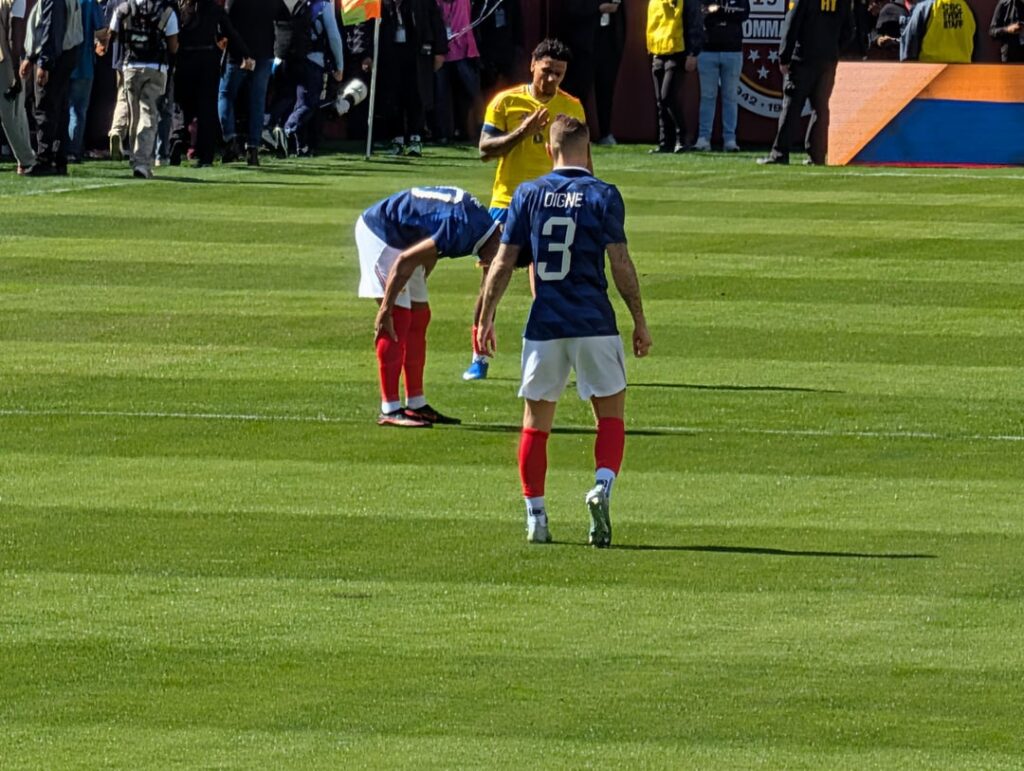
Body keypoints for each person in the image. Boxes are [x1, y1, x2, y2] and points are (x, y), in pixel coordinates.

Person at [475, 115, 652, 547]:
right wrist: (639, 320)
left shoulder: (528, 194)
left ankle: (536, 516)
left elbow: (502, 262)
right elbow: (621, 264)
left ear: (550, 149)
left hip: (545, 324)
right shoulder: (604, 194)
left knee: (535, 425)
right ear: (586, 149)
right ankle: (601, 486)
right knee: (610, 416)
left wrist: (485, 315)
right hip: (594, 321)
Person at [464, 37, 585, 381]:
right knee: (491, 279)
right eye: (547, 71)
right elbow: (485, 150)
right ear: (533, 63)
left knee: (548, 283)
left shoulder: (572, 106)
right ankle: (478, 355)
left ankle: (551, 355)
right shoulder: (506, 102)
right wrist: (523, 130)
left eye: (558, 75)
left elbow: (582, 159)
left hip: (551, 204)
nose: (551, 81)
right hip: (507, 202)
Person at [358, 185, 501, 428]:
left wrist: (419, 284)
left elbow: (433, 243)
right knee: (398, 316)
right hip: (381, 233)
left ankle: (416, 403)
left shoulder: (483, 229)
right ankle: (390, 408)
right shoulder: (464, 227)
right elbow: (404, 261)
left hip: (406, 239)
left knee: (420, 315)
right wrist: (385, 309)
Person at [756, 0, 852, 165]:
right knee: (821, 109)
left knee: (792, 106)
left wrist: (784, 56)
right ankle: (817, 155)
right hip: (827, 60)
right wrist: (834, 50)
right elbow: (849, 30)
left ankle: (780, 153)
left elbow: (792, 23)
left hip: (803, 58)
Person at [172, 0, 251, 167]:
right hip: (207, 60)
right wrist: (245, 54)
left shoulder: (180, 9)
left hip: (184, 59)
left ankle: (177, 139)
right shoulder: (214, 9)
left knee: (180, 105)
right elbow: (231, 32)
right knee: (206, 109)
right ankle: (206, 155)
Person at [107, 0, 179, 178]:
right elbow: (173, 46)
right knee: (148, 115)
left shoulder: (123, 9)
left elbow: (112, 35)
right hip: (156, 68)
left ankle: (134, 156)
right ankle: (142, 162)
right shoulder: (167, 12)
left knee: (134, 115)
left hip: (130, 66)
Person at [21, 0, 84, 175]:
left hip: (55, 56)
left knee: (46, 108)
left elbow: (51, 27)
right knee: (60, 109)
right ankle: (58, 158)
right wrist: (30, 57)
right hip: (65, 53)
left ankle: (45, 158)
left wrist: (44, 63)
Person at [376, 0, 447, 157]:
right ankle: (397, 139)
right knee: (393, 99)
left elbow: (436, 22)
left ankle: (416, 138)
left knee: (416, 97)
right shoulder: (382, 4)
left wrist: (440, 51)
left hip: (416, 55)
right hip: (391, 55)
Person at [219, 0, 279, 166]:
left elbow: (225, 21)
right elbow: (282, 14)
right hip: (264, 52)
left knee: (225, 95)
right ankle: (253, 148)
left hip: (238, 54)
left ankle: (230, 139)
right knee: (257, 102)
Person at [646, 0, 702, 153]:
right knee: (660, 101)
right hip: (658, 51)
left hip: (678, 52)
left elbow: (695, 22)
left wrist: (693, 53)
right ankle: (666, 142)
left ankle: (682, 139)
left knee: (667, 97)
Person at [693, 0, 748, 152]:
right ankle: (704, 138)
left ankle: (730, 139)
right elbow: (699, 13)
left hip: (732, 51)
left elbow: (743, 13)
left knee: (730, 97)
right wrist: (723, 12)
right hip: (707, 51)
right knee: (707, 97)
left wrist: (718, 10)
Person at [0, 0, 37, 174]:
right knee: (12, 112)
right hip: (5, 60)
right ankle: (26, 159)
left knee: (17, 111)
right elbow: (15, 34)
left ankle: (27, 156)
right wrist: (17, 67)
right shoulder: (17, 1)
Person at [66, 0, 105, 163]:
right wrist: (102, 43)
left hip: (62, 62)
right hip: (84, 62)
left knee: (62, 109)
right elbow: (102, 31)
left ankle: (60, 148)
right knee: (78, 110)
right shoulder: (90, 3)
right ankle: (73, 150)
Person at [593, 0, 625, 146]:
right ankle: (579, 132)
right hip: (585, 43)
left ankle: (605, 132)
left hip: (610, 44)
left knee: (606, 90)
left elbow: (621, 14)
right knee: (580, 89)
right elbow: (573, 9)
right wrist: (598, 8)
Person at [900, 0, 977, 61]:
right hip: (962, 72)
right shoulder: (967, 9)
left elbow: (909, 44)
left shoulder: (925, 8)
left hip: (931, 71)